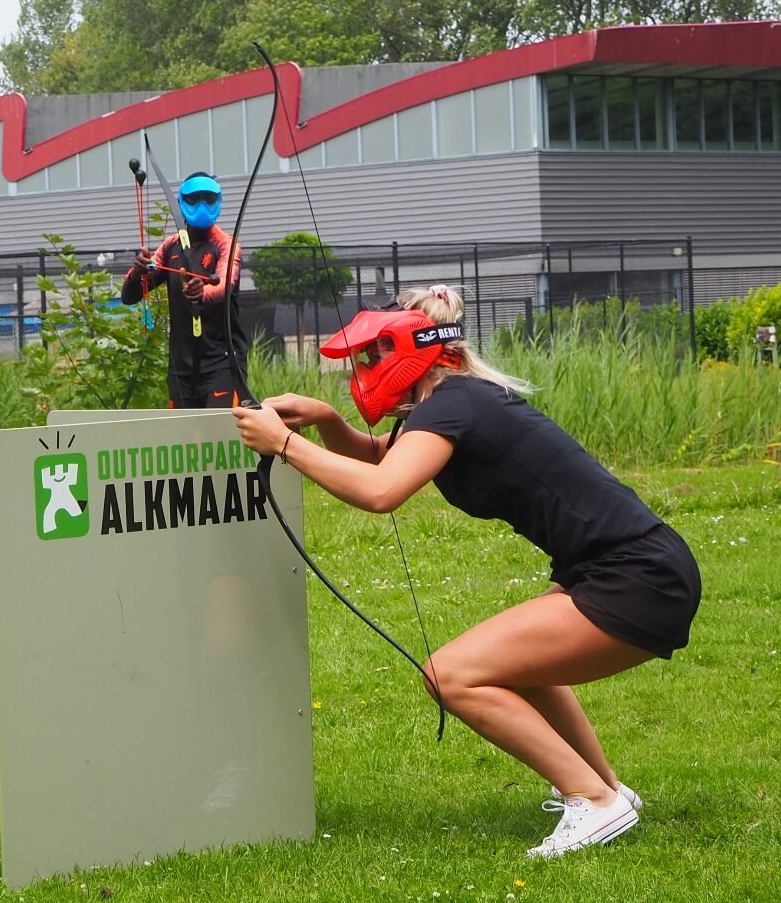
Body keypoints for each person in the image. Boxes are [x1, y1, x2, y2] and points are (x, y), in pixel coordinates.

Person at [231, 285, 700, 858]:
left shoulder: (451, 403)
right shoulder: (453, 402)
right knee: (520, 668)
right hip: (631, 568)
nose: (362, 373)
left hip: (635, 577)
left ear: (410, 352)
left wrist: (284, 445)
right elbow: (381, 454)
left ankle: (594, 802)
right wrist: (325, 418)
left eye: (370, 359)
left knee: (449, 675)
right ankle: (605, 790)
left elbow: (382, 491)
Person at [122, 171, 248, 407]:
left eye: (208, 198)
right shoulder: (171, 246)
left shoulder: (226, 245)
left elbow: (224, 283)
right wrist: (137, 272)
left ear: (218, 201)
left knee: (220, 437)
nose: (201, 205)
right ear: (181, 201)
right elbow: (130, 296)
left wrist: (202, 292)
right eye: (194, 198)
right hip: (181, 368)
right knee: (185, 441)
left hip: (223, 365)